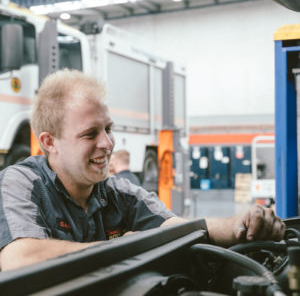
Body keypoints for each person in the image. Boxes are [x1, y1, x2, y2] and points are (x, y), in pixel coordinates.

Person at [0, 69, 285, 271]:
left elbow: (178, 229)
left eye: (108, 129)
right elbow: (20, 258)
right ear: (50, 142)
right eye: (90, 134)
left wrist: (241, 225)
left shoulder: (117, 191)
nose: (108, 143)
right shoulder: (20, 183)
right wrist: (118, 248)